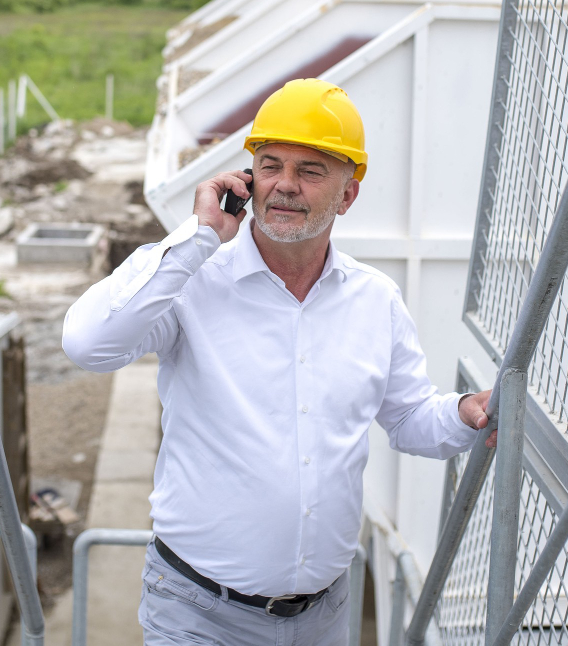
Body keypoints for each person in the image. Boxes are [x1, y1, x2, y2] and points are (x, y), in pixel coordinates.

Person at [62, 78, 493, 645]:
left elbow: (410, 420)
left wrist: (466, 413)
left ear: (347, 195)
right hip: (197, 614)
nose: (284, 186)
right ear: (246, 179)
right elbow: (88, 344)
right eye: (269, 165)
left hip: (323, 616)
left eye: (310, 171)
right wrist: (197, 238)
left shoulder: (376, 300)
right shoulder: (194, 280)